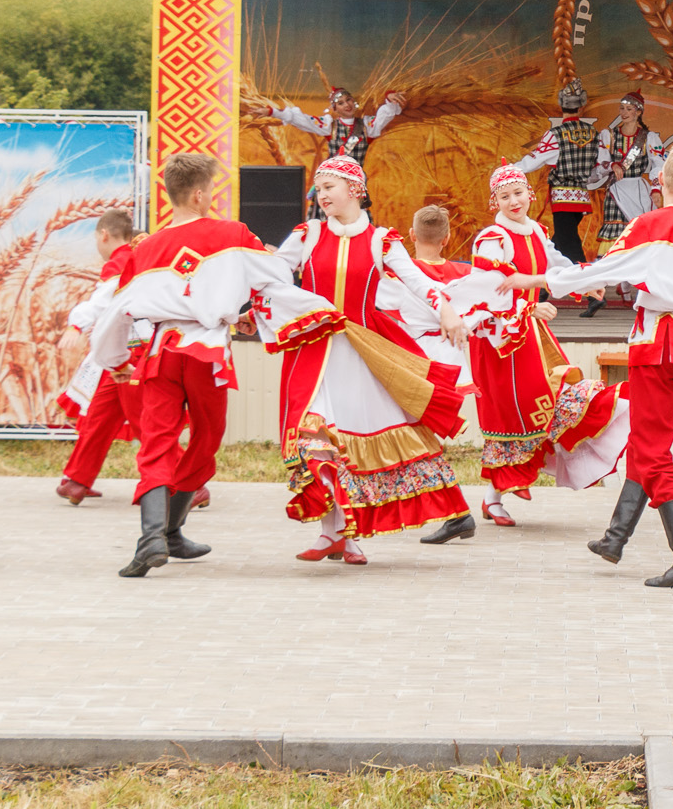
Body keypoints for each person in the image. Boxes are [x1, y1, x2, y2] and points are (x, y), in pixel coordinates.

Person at [86, 152, 363, 578]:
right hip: (207, 351)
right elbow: (276, 279)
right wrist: (311, 312)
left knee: (157, 442)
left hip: (161, 352)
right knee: (206, 438)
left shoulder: (146, 249)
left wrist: (117, 359)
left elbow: (115, 311)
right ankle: (170, 530)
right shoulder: (231, 234)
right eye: (211, 191)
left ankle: (155, 537)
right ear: (199, 194)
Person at [524, 141, 673, 588]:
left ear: (660, 181)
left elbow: (607, 269)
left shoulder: (650, 224)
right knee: (647, 438)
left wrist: (548, 279)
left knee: (653, 448)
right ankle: (615, 537)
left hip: (657, 344)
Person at [269, 159, 476, 561]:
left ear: (355, 189)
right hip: (313, 355)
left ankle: (342, 535)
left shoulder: (382, 240)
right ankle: (335, 534)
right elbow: (274, 274)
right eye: (319, 188)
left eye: (330, 186)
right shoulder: (308, 234)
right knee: (317, 436)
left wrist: (447, 311)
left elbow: (420, 282)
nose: (322, 195)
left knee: (349, 446)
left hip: (363, 356)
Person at [466, 164, 629, 525]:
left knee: (545, 406)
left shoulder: (536, 231)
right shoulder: (492, 238)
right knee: (513, 415)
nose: (513, 201)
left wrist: (584, 283)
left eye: (518, 193)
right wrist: (531, 303)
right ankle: (495, 494)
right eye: (505, 196)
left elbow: (558, 266)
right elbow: (491, 288)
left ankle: (496, 495)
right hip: (500, 341)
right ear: (495, 200)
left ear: (530, 194)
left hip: (532, 335)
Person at [53, 210, 145, 506]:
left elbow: (103, 303)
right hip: (120, 351)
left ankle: (189, 484)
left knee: (144, 420)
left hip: (129, 352)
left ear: (103, 235)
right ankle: (78, 480)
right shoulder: (130, 257)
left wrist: (76, 324)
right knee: (101, 414)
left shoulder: (120, 262)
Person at [243, 86, 406, 215]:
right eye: (341, 103)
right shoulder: (330, 126)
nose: (347, 105)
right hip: (331, 183)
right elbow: (301, 119)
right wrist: (272, 112)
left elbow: (385, 115)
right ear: (335, 108)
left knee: (356, 219)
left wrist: (390, 98)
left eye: (349, 100)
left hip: (354, 185)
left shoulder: (368, 126)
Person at [583, 91, 667, 316]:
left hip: (640, 190)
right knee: (614, 237)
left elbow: (659, 163)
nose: (624, 113)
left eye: (629, 109)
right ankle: (597, 292)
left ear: (639, 112)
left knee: (640, 239)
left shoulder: (649, 138)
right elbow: (599, 163)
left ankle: (631, 289)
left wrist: (657, 188)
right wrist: (612, 166)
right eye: (622, 109)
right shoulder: (608, 135)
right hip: (616, 192)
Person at [514, 83, 603, 267]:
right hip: (581, 197)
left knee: (571, 245)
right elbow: (598, 168)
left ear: (561, 106)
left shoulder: (555, 135)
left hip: (562, 196)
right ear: (581, 106)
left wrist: (510, 169)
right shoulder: (593, 133)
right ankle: (542, 287)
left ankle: (591, 290)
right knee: (559, 242)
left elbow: (533, 161)